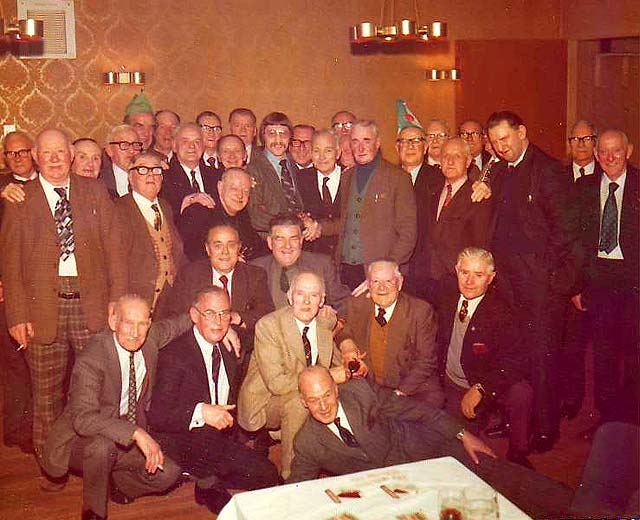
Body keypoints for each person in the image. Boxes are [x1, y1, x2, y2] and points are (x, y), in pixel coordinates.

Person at [289, 366, 573, 518]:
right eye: (313, 400)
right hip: (392, 490)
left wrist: (463, 434)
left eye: (327, 395)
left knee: (493, 472)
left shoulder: (361, 392)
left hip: (423, 449)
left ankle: (578, 506)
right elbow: (297, 489)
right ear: (303, 402)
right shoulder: (307, 442)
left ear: (336, 390)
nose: (323, 406)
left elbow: (420, 411)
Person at [0, 129, 126, 464]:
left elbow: (115, 251)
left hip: (92, 307)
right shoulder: (20, 199)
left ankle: (100, 462)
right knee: (45, 396)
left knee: (97, 390)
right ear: (36, 157)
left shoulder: (95, 191)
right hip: (42, 311)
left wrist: (117, 300)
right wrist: (16, 316)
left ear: (71, 154)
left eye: (60, 152)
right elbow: (10, 266)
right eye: (47, 153)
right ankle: (50, 465)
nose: (55, 159)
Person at [41, 295, 191, 520]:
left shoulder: (150, 339)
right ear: (113, 322)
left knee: (168, 474)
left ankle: (119, 485)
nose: (135, 332)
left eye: (142, 323)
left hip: (124, 433)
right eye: (128, 323)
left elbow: (180, 323)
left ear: (149, 324)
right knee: (102, 446)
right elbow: (83, 419)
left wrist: (220, 326)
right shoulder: (92, 358)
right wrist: (136, 433)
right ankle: (94, 512)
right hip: (80, 440)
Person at [486, 110, 576, 451]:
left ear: (522, 132)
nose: (500, 147)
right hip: (507, 279)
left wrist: (548, 277)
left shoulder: (549, 170)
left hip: (539, 280)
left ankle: (545, 427)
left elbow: (565, 233)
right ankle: (517, 418)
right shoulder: (500, 169)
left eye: (505, 139)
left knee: (542, 356)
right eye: (494, 142)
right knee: (514, 352)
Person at [148, 287, 278, 514]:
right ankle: (207, 482)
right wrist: (201, 412)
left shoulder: (229, 345)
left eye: (224, 313)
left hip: (219, 437)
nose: (218, 322)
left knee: (267, 474)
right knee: (231, 504)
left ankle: (206, 479)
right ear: (194, 315)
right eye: (209, 313)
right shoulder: (174, 355)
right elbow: (158, 417)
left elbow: (264, 329)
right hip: (183, 437)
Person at [237, 271, 348, 479]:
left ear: (322, 301)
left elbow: (338, 361)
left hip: (305, 395)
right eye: (300, 294)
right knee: (299, 402)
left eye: (314, 295)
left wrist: (351, 368)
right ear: (289, 297)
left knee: (343, 392)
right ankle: (292, 474)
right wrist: (331, 376)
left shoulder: (323, 323)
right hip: (268, 401)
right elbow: (277, 384)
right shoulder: (269, 326)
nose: (306, 301)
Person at [438, 248, 533, 468]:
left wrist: (481, 388)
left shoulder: (502, 312)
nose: (470, 281)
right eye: (465, 273)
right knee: (459, 453)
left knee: (521, 392)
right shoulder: (446, 290)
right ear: (456, 271)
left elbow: (517, 361)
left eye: (479, 275)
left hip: (484, 385)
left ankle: (518, 450)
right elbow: (411, 283)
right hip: (453, 384)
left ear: (490, 278)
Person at [572, 129, 638, 429]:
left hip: (634, 279)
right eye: (604, 152)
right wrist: (576, 286)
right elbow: (574, 242)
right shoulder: (584, 187)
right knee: (603, 355)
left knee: (635, 352)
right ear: (596, 155)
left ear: (630, 151)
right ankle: (607, 420)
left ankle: (634, 418)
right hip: (598, 278)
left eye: (617, 151)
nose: (611, 157)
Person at [321, 120, 417, 290]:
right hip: (345, 269)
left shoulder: (398, 178)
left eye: (367, 140)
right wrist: (317, 227)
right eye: (355, 141)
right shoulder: (347, 177)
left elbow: (408, 234)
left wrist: (386, 269)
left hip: (380, 275)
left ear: (378, 143)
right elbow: (346, 222)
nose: (360, 147)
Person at [338, 259, 444, 409]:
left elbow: (426, 361)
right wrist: (347, 345)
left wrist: (398, 395)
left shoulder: (420, 311)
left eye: (388, 281)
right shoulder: (356, 304)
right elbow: (342, 330)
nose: (382, 288)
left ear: (399, 283)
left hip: (411, 387)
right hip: (371, 385)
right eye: (375, 281)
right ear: (368, 285)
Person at [409, 137, 492, 303]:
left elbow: (481, 245)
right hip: (422, 280)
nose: (450, 161)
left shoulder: (477, 196)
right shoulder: (430, 190)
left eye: (457, 156)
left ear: (468, 161)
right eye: (445, 156)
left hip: (454, 282)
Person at [558, 119, 601, 420]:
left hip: (591, 277)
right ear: (570, 144)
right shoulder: (557, 177)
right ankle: (565, 396)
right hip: (559, 276)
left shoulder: (607, 177)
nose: (582, 144)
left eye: (588, 139)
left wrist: (580, 284)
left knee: (585, 345)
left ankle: (581, 402)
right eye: (576, 139)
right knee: (562, 342)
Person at [167, 224, 273, 345]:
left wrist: (236, 318)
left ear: (239, 248)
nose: (225, 252)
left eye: (231, 245)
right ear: (208, 249)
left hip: (239, 349)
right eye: (218, 246)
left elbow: (266, 313)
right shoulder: (189, 275)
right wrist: (216, 328)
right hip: (196, 346)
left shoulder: (254, 275)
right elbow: (175, 316)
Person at [0, 130, 36, 453]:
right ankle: (18, 429)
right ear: (5, 159)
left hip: (44, 288)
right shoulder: (2, 190)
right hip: (10, 287)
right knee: (15, 362)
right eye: (12, 154)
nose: (19, 157)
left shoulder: (50, 184)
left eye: (24, 151)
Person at [114, 150, 186, 312]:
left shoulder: (166, 207)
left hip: (169, 301)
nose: (151, 175)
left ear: (161, 177)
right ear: (130, 177)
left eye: (156, 170)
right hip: (136, 301)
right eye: (143, 170)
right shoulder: (118, 210)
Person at [250, 214, 350, 315]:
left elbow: (343, 303)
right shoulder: (254, 268)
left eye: (293, 239)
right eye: (280, 239)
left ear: (301, 241)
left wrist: (338, 322)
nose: (287, 245)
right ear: (270, 242)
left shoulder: (322, 264)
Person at [178, 167, 264, 262]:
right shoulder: (199, 212)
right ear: (220, 187)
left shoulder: (242, 214)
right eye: (234, 188)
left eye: (246, 190)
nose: (240, 195)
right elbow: (192, 252)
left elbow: (257, 247)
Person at [246, 112, 305, 234]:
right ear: (263, 136)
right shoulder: (254, 169)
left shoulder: (295, 164)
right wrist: (295, 226)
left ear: (290, 137)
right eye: (271, 134)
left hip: (301, 239)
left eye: (283, 134)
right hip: (269, 240)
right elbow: (256, 216)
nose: (278, 140)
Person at [296, 129, 347, 256]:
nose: (322, 157)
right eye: (316, 151)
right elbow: (293, 210)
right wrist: (304, 220)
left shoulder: (351, 177)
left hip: (346, 254)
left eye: (328, 151)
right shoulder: (299, 178)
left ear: (338, 153)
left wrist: (320, 227)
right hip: (311, 255)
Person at [159, 123, 219, 222]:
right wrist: (190, 201)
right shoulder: (164, 178)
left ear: (203, 146)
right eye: (185, 141)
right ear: (174, 146)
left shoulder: (216, 176)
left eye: (197, 141)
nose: (192, 146)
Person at [102, 124, 143, 197]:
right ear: (109, 150)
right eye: (124, 145)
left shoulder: (151, 177)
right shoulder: (100, 180)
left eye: (136, 145)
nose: (132, 151)